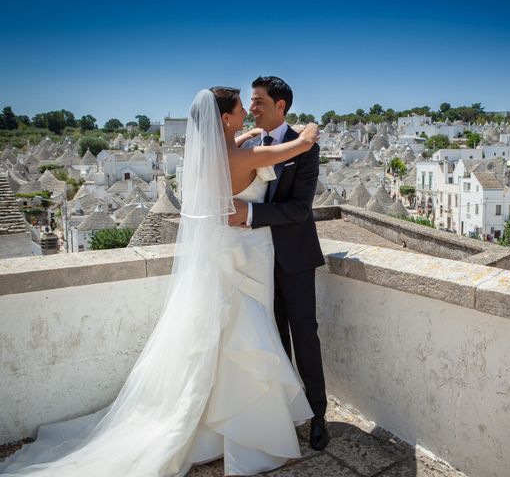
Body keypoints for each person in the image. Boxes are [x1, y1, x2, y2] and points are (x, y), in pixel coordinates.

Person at [0, 88, 319, 476]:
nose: (247, 112)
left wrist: (246, 136)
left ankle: (215, 422)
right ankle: (246, 429)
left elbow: (239, 151)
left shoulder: (214, 155)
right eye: (241, 107)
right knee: (247, 335)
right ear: (225, 119)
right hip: (248, 254)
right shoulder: (248, 153)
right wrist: (310, 125)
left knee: (225, 336)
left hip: (228, 254)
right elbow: (303, 143)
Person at [228, 76, 329, 452]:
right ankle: (283, 412)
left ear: (280, 106)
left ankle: (318, 414)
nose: (252, 108)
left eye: (258, 101)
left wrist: (250, 212)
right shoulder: (249, 143)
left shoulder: (305, 147)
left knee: (305, 336)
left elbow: (300, 209)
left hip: (294, 258)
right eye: (250, 102)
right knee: (271, 339)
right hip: (254, 259)